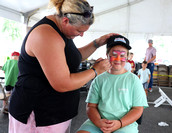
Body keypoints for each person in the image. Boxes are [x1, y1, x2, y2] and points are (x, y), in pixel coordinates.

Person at [8, 0, 116, 132]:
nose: (81, 34)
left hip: (54, 112)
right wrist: (95, 71)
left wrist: (96, 43)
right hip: (38, 115)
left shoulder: (62, 31)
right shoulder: (46, 35)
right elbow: (62, 83)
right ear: (65, 20)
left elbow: (71, 57)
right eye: (79, 30)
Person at [77, 35, 148, 133]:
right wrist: (98, 122)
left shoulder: (134, 80)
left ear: (127, 57)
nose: (118, 59)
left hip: (125, 124)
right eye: (114, 54)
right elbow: (91, 106)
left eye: (122, 55)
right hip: (98, 122)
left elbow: (138, 109)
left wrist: (120, 123)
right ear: (107, 55)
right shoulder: (99, 79)